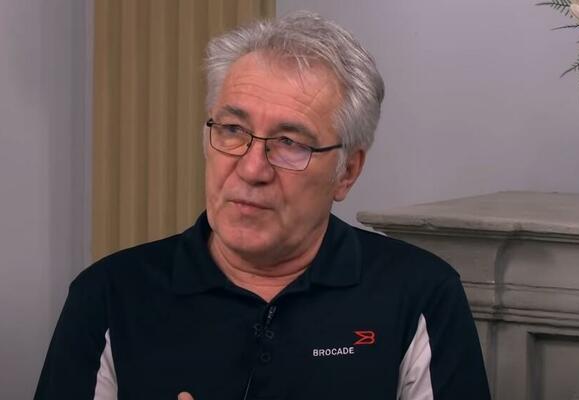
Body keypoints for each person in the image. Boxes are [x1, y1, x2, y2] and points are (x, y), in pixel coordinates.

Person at [34, 11, 490, 400]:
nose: (252, 168)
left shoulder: (421, 294)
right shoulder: (109, 296)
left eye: (290, 142)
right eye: (233, 130)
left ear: (347, 172)